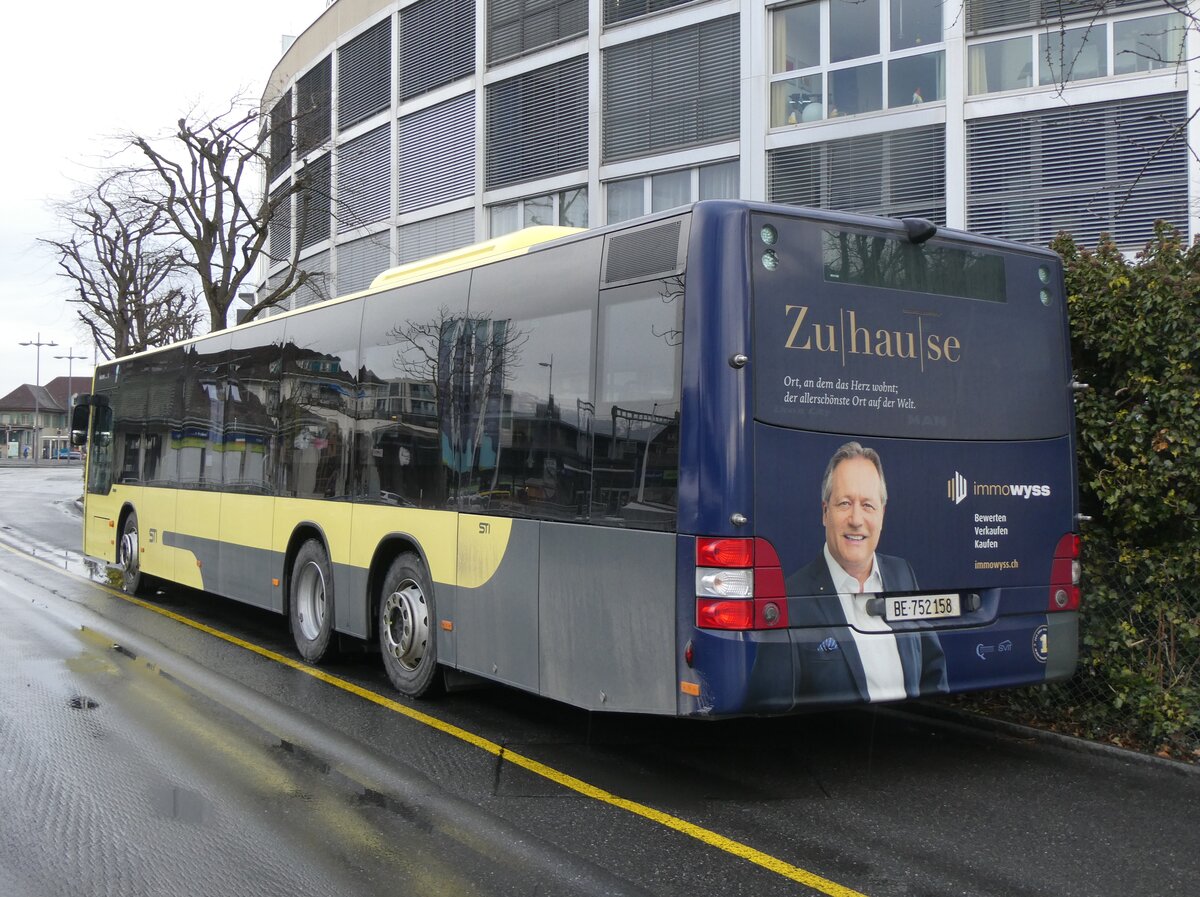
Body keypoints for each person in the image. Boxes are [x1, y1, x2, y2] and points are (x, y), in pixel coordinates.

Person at [783, 441, 947, 703]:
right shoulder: (791, 600)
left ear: (882, 513)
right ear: (826, 512)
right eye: (845, 503)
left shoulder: (902, 574)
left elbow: (933, 670)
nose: (856, 519)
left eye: (868, 505)